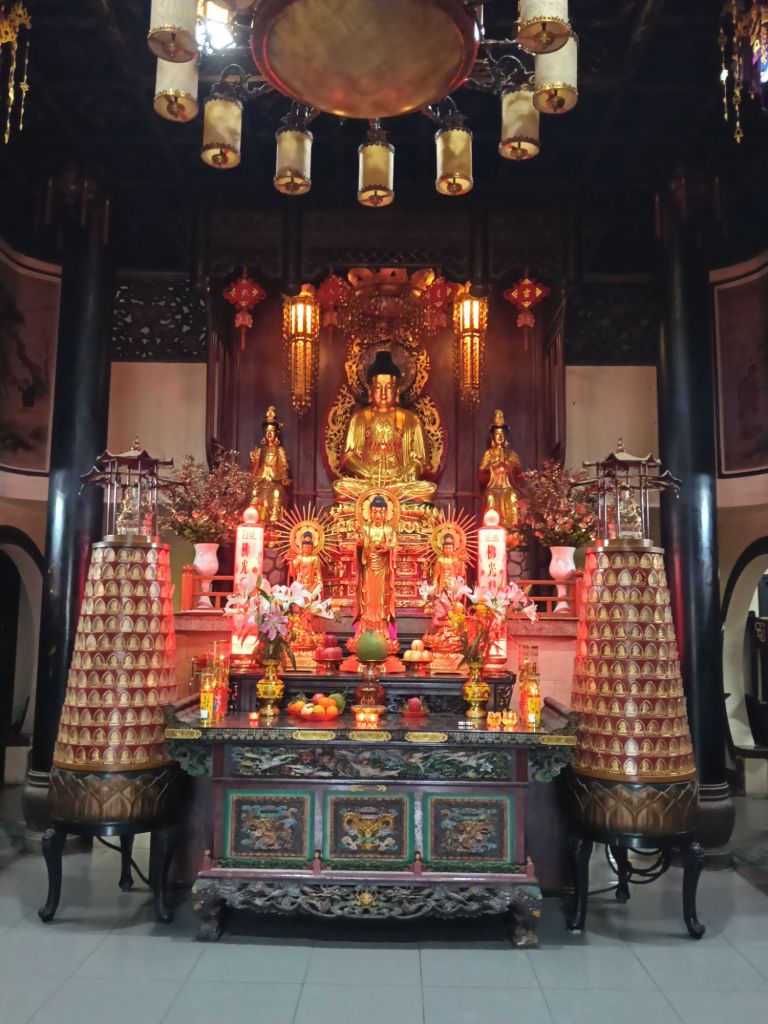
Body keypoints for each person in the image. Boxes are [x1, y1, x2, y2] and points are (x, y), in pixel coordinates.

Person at [333, 349, 435, 502]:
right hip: (367, 483)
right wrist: (367, 473)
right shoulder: (359, 418)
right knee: (340, 486)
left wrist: (412, 468)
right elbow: (347, 457)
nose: (382, 393)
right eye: (378, 387)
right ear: (370, 391)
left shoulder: (411, 420)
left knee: (427, 489)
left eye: (388, 387)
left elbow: (422, 460)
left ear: (397, 391)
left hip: (399, 483)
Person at [355, 494, 398, 635]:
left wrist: (387, 548)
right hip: (368, 566)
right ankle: (366, 628)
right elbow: (359, 544)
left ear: (386, 513)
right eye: (374, 511)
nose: (378, 515)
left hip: (383, 568)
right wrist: (361, 544)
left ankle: (381, 629)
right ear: (369, 513)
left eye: (381, 512)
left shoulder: (389, 529)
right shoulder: (365, 528)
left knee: (381, 598)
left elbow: (394, 545)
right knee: (367, 596)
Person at [479, 409, 524, 538]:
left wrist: (511, 467)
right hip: (494, 487)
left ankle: (514, 530)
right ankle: (491, 529)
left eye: (502, 434)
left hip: (508, 487)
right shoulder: (489, 453)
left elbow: (520, 475)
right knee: (490, 497)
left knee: (513, 497)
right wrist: (494, 467)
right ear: (492, 437)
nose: (500, 437)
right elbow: (481, 473)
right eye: (497, 434)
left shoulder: (511, 453)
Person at [249, 406, 291, 522]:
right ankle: (255, 520)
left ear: (276, 433)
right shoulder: (258, 452)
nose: (269, 433)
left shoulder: (279, 451)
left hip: (274, 482)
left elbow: (284, 469)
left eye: (272, 431)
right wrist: (253, 462)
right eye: (267, 431)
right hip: (261, 481)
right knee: (254, 493)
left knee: (276, 494)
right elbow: (253, 472)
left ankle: (274, 523)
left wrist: (284, 478)